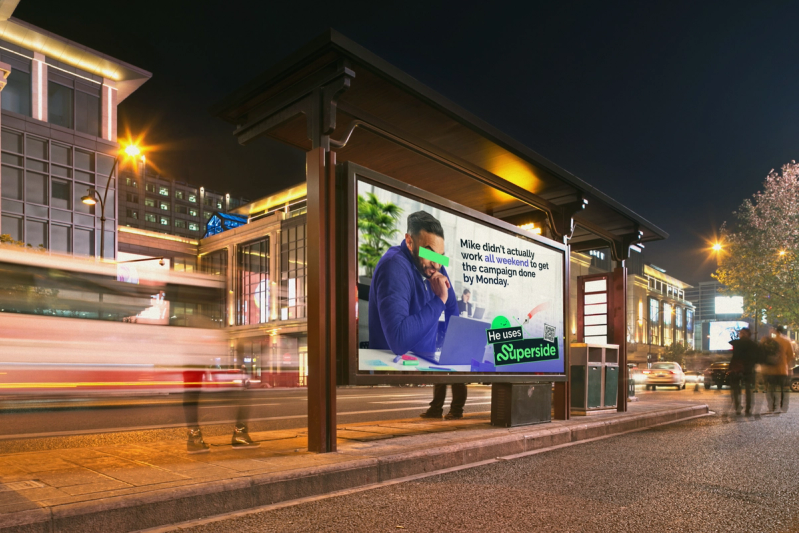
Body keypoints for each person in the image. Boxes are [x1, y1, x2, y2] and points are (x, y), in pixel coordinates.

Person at [368, 211, 465, 419]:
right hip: (394, 362)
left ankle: (451, 409)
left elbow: (451, 305)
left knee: (454, 364)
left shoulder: (434, 262)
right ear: (409, 242)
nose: (436, 265)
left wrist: (452, 341)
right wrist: (438, 300)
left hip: (426, 356)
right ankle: (438, 408)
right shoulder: (394, 266)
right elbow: (399, 340)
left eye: (439, 256)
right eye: (429, 253)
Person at [728, 328, 760, 416]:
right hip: (749, 369)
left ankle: (738, 406)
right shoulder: (754, 345)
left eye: (741, 333)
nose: (740, 334)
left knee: (736, 389)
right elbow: (757, 358)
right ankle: (748, 409)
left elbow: (734, 356)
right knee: (748, 390)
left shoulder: (737, 343)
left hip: (737, 368)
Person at [761, 325, 792, 413]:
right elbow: (791, 355)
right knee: (782, 388)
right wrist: (785, 362)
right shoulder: (787, 340)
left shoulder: (771, 340)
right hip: (782, 369)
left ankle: (772, 407)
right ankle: (782, 407)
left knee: (771, 388)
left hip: (771, 369)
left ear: (775, 331)